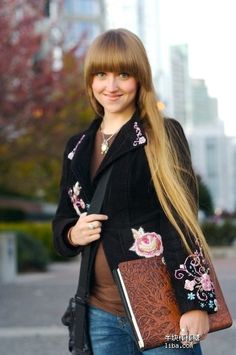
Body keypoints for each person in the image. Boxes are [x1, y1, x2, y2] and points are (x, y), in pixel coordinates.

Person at [52, 29, 217, 355]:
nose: (111, 86)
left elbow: (180, 220)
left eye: (123, 75)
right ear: (90, 80)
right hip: (99, 312)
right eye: (101, 74)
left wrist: (195, 302)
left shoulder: (162, 135)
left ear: (139, 79)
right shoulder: (78, 147)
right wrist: (73, 233)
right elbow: (62, 221)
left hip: (163, 304)